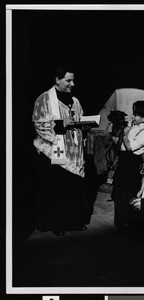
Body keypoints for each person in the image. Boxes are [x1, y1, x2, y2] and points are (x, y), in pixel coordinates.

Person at [32, 65, 93, 236]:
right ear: (57, 80)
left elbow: (79, 119)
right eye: (68, 80)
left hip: (73, 150)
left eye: (73, 80)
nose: (72, 84)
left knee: (73, 187)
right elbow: (39, 124)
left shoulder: (74, 100)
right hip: (53, 149)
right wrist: (61, 124)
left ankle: (74, 221)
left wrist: (84, 125)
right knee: (56, 188)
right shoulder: (44, 99)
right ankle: (56, 223)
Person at [111, 100, 144, 232]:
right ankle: (121, 223)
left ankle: (134, 225)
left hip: (132, 162)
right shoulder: (131, 125)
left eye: (135, 115)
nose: (132, 117)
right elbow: (117, 142)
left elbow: (129, 147)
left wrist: (124, 134)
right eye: (133, 113)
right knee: (119, 193)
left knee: (132, 194)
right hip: (123, 160)